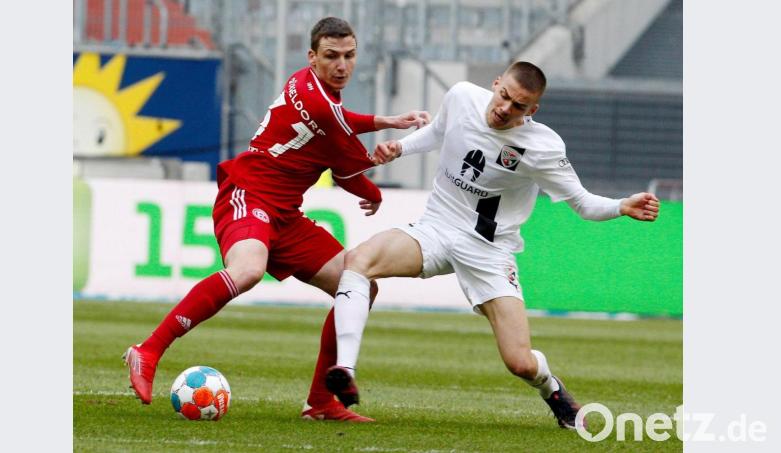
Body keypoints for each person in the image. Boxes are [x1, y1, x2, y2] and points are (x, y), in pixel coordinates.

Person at [123, 17, 430, 423]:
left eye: (350, 56)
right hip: (248, 193)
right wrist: (374, 187)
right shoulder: (323, 107)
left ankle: (321, 402)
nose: (342, 65)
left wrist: (385, 122)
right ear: (313, 56)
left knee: (358, 287)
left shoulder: (305, 84)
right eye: (332, 56)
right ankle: (148, 350)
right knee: (248, 270)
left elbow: (339, 128)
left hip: (284, 214)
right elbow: (349, 170)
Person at [324, 61, 661, 429]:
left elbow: (582, 202)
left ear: (532, 110)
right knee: (359, 259)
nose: (505, 108)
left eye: (518, 106)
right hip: (435, 228)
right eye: (503, 96)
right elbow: (439, 132)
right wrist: (400, 149)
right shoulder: (462, 96)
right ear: (496, 84)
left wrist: (620, 206)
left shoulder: (542, 148)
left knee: (520, 362)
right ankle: (345, 368)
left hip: (488, 250)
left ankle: (553, 390)